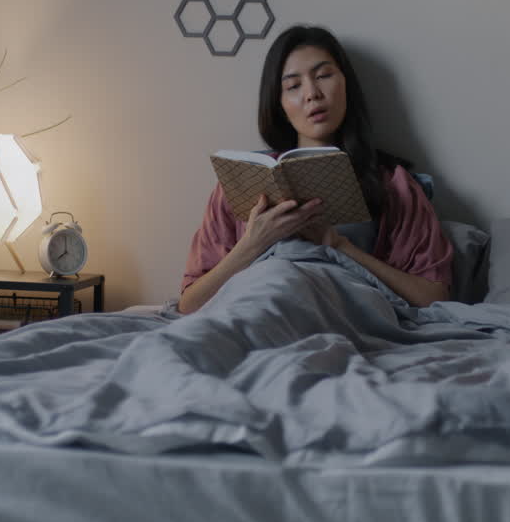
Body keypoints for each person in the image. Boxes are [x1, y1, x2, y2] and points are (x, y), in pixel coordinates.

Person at [179, 25, 453, 314]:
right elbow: (189, 304)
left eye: (323, 76)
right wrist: (253, 243)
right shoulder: (239, 181)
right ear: (279, 103)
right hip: (256, 308)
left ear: (345, 83)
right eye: (293, 86)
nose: (312, 94)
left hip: (337, 311)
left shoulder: (393, 185)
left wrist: (339, 245)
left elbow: (434, 297)